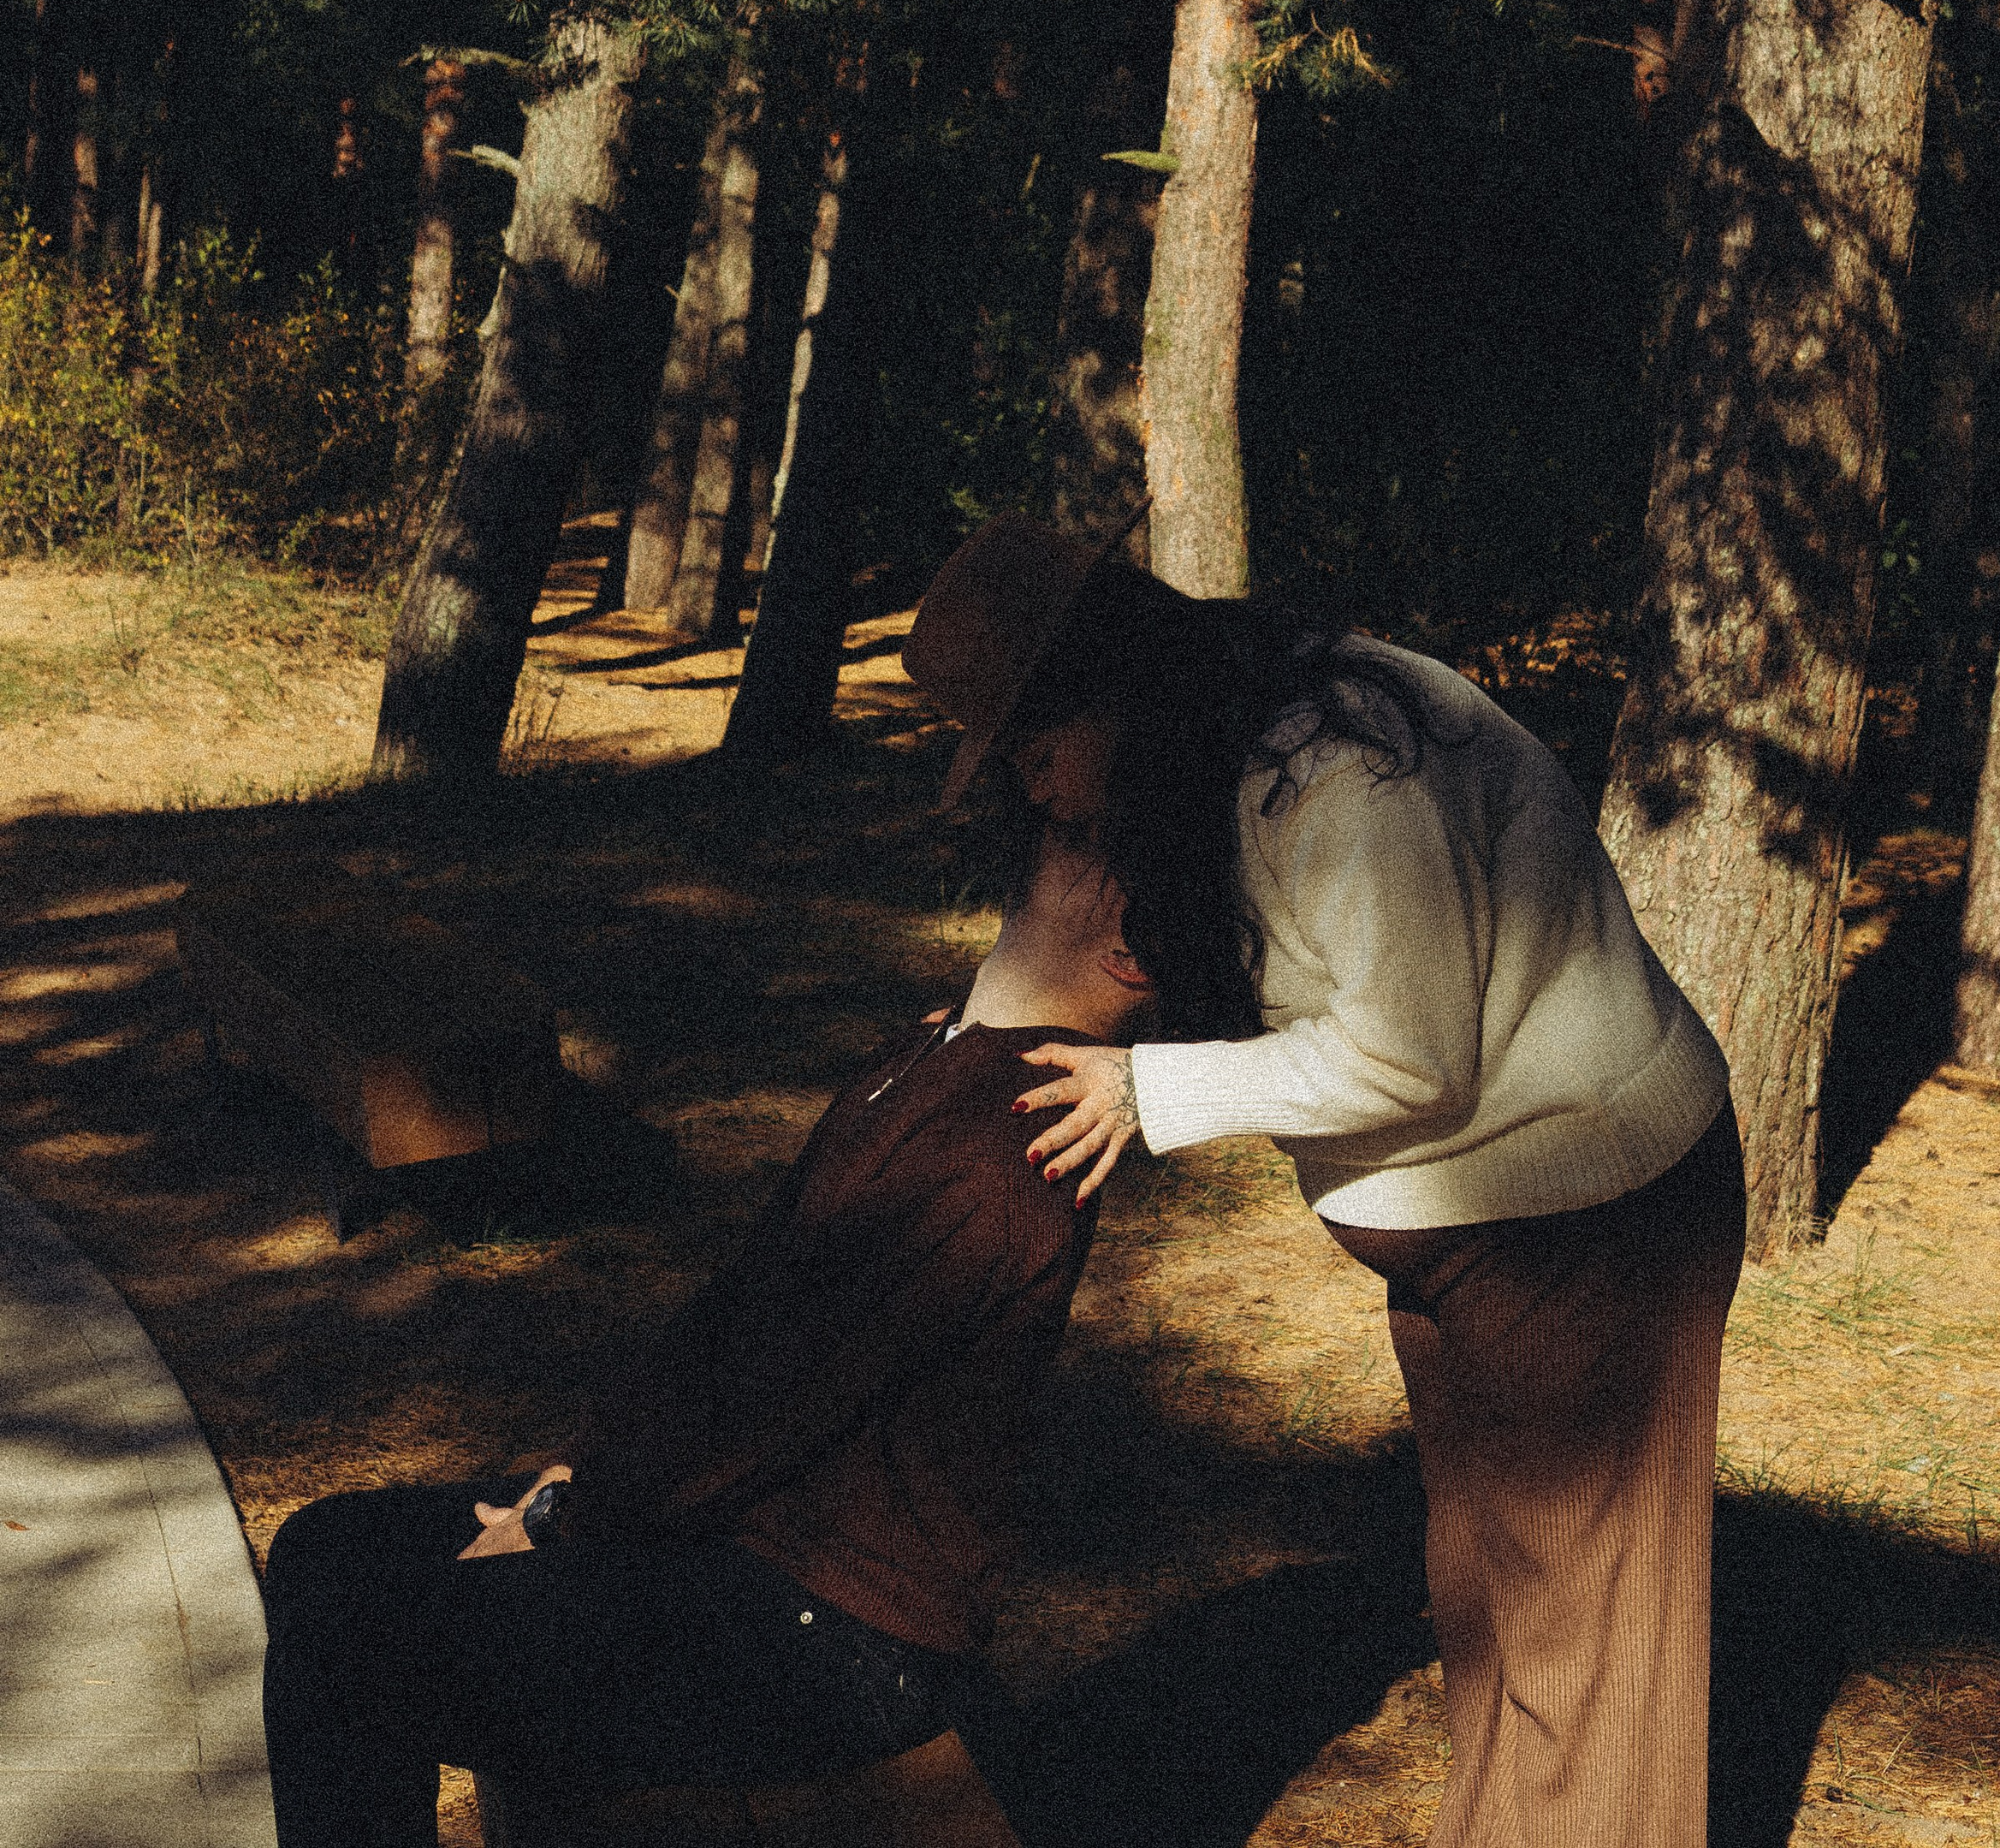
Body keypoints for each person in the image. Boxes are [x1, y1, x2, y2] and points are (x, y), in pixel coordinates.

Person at [903, 515, 1746, 1848]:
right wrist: (968, 1051)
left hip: (1591, 1220)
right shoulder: (1208, 756)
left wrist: (1152, 1095)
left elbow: (1412, 1057)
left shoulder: (1342, 772)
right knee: (1493, 1600)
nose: (1034, 782)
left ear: (1113, 677)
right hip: (1471, 1229)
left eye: (1035, 742)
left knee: (1586, 1643)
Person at [258, 827, 1153, 1848]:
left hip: (830, 1634)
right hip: (746, 1540)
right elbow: (738, 1320)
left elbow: (771, 1399)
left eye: (1105, 846)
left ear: (1128, 953)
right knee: (328, 1550)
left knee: (350, 1647)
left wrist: (558, 1519)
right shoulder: (940, 1053)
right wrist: (572, 1470)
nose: (1064, 815)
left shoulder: (1013, 1138)